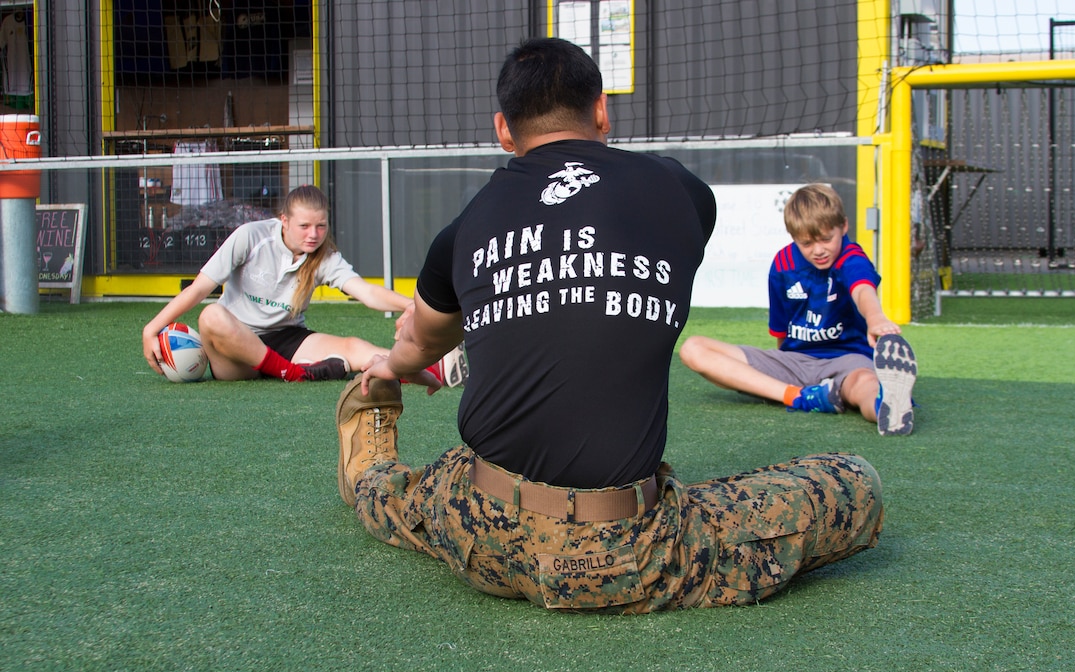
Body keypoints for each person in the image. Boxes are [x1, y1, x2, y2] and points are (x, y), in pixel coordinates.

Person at [336, 38, 883, 613]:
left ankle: (370, 472)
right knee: (852, 482)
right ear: (601, 110)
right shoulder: (682, 192)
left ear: (503, 129)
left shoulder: (464, 228)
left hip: (485, 529)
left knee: (427, 486)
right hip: (627, 554)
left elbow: (422, 338)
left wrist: (389, 366)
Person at [680, 183, 918, 436]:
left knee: (865, 385)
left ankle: (887, 407)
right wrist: (782, 368)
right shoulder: (782, 264)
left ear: (844, 227)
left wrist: (876, 318)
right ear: (793, 237)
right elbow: (781, 333)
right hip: (795, 364)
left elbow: (863, 289)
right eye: (806, 243)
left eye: (827, 239)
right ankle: (800, 398)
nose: (818, 250)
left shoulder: (851, 257)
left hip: (847, 362)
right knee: (693, 348)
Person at [142, 184, 421, 383]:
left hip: (288, 339)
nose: (314, 235)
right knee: (211, 315)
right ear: (284, 221)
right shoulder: (250, 236)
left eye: (321, 226)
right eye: (304, 226)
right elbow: (199, 288)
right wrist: (151, 329)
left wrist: (411, 305)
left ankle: (434, 370)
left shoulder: (324, 256)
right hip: (237, 343)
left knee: (354, 347)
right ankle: (295, 374)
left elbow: (368, 292)